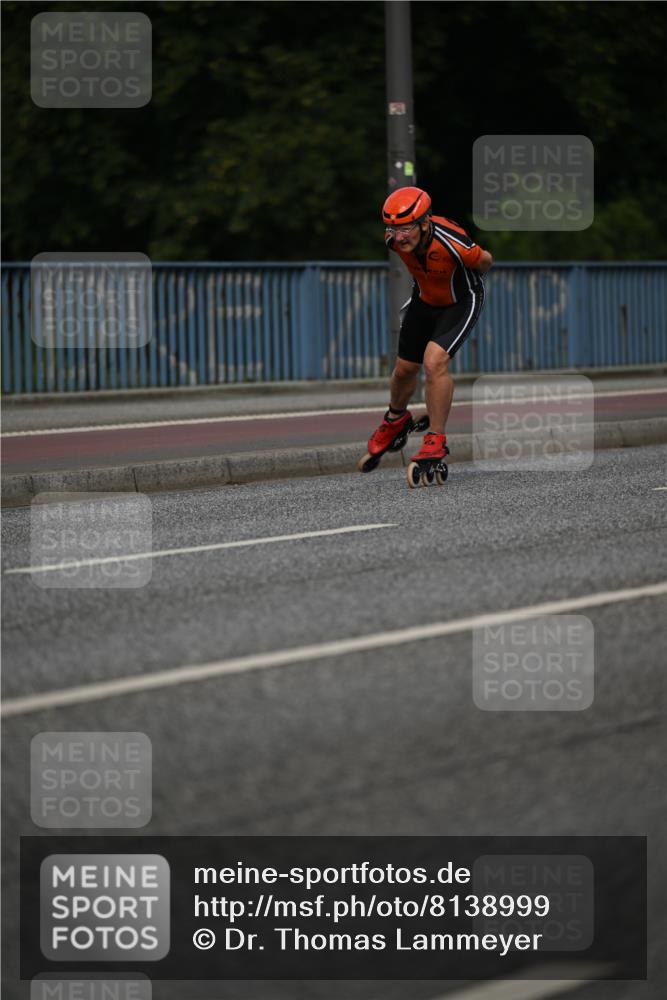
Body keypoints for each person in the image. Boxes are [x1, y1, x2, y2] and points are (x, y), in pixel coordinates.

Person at [364, 186, 493, 467]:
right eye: (392, 228)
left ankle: (436, 438)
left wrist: (464, 278)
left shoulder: (453, 243)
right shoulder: (393, 240)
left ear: (424, 223)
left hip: (461, 301)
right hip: (424, 300)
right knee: (404, 370)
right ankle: (396, 418)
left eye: (406, 228)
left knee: (434, 362)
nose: (398, 236)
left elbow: (485, 261)